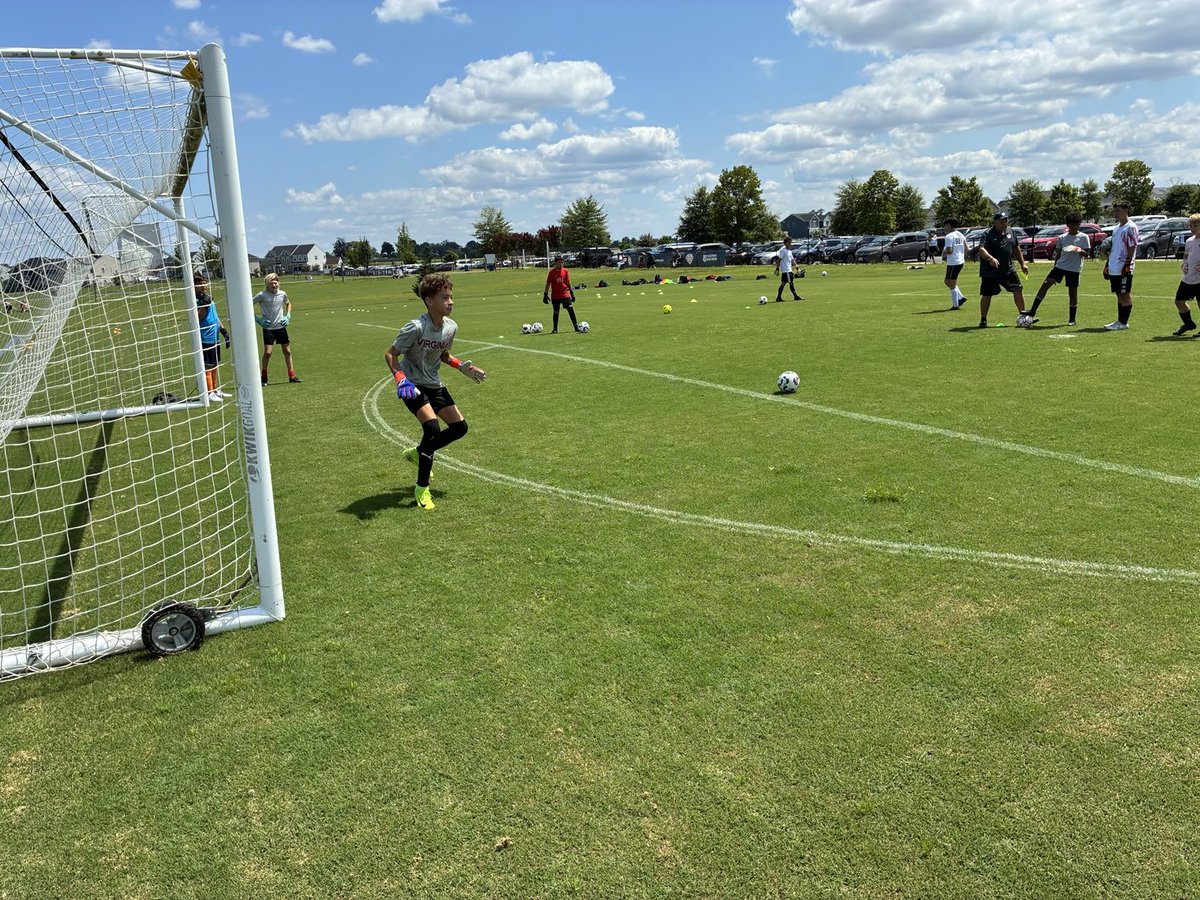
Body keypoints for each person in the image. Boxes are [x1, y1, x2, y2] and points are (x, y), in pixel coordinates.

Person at [385, 273, 486, 511]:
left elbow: (443, 355)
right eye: (445, 297)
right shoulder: (416, 327)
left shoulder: (451, 327)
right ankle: (422, 489)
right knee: (432, 429)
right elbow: (391, 354)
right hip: (413, 386)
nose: (451, 302)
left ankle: (419, 452)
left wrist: (462, 367)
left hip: (435, 384)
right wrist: (401, 379)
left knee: (460, 428)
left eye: (451, 297)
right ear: (429, 301)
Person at [1026, 211, 1091, 326]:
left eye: (1076, 224)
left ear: (1079, 224)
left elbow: (1087, 254)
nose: (1074, 226)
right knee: (1045, 284)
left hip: (1074, 268)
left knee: (1072, 293)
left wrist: (1077, 249)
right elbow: (1058, 253)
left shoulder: (1084, 237)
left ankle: (1072, 319)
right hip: (1060, 267)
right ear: (1068, 225)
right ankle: (1032, 311)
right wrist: (1055, 265)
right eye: (1071, 224)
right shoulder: (1062, 237)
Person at [975, 212, 1029, 328]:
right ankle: (983, 319)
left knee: (1018, 289)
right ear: (994, 222)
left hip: (1007, 269)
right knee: (987, 294)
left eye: (1005, 220)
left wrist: (1023, 264)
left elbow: (1016, 248)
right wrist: (991, 258)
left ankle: (1023, 316)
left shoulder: (1011, 231)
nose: (1003, 223)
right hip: (990, 271)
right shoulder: (988, 233)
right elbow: (981, 249)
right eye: (1001, 221)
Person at [253, 272, 301, 384]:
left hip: (281, 327)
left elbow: (288, 304)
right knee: (268, 353)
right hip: (269, 328)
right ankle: (263, 377)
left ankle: (292, 376)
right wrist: (258, 320)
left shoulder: (282, 294)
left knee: (287, 351)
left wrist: (288, 316)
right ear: (267, 284)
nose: (274, 285)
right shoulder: (262, 295)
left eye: (276, 283)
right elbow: (247, 305)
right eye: (271, 283)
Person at [194, 271, 231, 402]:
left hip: (215, 337)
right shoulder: (196, 300)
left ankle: (215, 389)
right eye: (199, 284)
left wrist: (224, 331)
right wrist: (204, 305)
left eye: (204, 283)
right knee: (208, 365)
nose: (203, 286)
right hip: (205, 337)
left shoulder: (208, 297)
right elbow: (197, 318)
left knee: (215, 364)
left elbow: (215, 317)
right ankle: (208, 392)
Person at [1103, 201, 1139, 330]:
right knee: (1118, 293)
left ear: (1126, 211)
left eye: (1118, 211)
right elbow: (1114, 247)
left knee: (1125, 293)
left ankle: (1124, 323)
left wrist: (1128, 263)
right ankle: (1119, 320)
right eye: (1115, 211)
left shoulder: (1131, 227)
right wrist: (1107, 264)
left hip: (1124, 265)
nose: (1116, 213)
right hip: (1114, 265)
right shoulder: (1117, 228)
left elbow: (1132, 246)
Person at [1170, 213, 1200, 336]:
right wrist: (1184, 264)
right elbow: (1186, 255)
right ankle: (1188, 324)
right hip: (1188, 277)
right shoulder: (1189, 241)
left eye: (1195, 225)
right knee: (1179, 301)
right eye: (1191, 225)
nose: (1192, 228)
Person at [543, 255, 582, 333]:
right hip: (555, 296)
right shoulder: (551, 272)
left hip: (565, 294)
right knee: (556, 312)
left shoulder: (565, 271)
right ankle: (555, 329)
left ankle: (576, 327)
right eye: (559, 262)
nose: (561, 264)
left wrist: (571, 293)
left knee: (570, 310)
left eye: (562, 262)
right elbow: (548, 283)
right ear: (555, 263)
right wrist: (545, 294)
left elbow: (568, 282)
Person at [941, 218, 968, 309]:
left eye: (945, 225)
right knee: (947, 281)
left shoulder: (949, 236)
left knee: (951, 283)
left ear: (949, 225)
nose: (944, 228)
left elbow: (949, 251)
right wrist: (963, 257)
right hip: (959, 261)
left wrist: (944, 251)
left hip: (953, 262)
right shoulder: (960, 234)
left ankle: (956, 305)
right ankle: (961, 297)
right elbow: (966, 247)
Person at [773, 236, 804, 302]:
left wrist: (797, 267)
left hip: (789, 270)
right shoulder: (783, 251)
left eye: (790, 242)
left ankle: (778, 298)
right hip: (786, 270)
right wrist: (777, 268)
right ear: (785, 243)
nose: (790, 244)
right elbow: (779, 260)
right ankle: (795, 296)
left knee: (783, 283)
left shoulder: (789, 251)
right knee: (791, 283)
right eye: (789, 242)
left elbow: (793, 260)